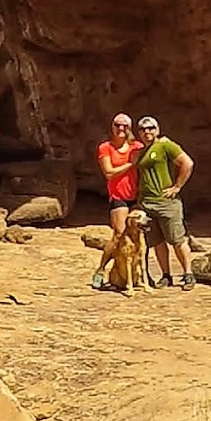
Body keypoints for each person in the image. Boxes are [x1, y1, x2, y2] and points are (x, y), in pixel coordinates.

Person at [136, 116, 196, 289]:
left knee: (177, 239)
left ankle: (188, 274)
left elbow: (187, 163)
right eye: (143, 129)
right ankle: (166, 275)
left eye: (151, 128)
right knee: (157, 242)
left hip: (166, 203)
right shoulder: (141, 151)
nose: (147, 132)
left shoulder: (165, 145)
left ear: (157, 129)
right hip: (147, 203)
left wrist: (177, 187)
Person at [92, 112, 144, 290]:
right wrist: (131, 164)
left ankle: (138, 273)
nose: (121, 128)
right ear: (112, 126)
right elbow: (109, 172)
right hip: (118, 196)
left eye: (125, 126)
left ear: (130, 128)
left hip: (135, 196)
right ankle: (100, 269)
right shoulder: (105, 147)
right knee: (119, 235)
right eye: (117, 125)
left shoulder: (136, 146)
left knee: (140, 235)